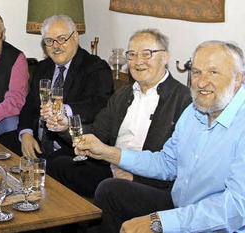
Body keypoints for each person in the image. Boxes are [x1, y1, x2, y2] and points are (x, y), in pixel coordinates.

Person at [76, 40, 245, 232]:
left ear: (237, 78)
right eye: (197, 72)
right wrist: (107, 152)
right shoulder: (194, 111)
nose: (201, 82)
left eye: (213, 72)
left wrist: (160, 222)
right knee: (110, 191)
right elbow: (166, 163)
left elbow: (237, 209)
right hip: (181, 206)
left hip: (217, 224)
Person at [46, 29, 192, 198]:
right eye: (132, 55)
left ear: (165, 57)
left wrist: (136, 178)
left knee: (110, 189)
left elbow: (178, 166)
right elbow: (97, 132)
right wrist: (66, 127)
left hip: (150, 182)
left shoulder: (183, 101)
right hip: (111, 168)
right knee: (58, 165)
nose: (138, 62)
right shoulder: (124, 94)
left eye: (146, 54)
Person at [0, 14, 113, 162]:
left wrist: (63, 110)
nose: (56, 46)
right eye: (49, 41)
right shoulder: (42, 67)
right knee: (4, 143)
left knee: (55, 165)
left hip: (71, 145)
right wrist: (26, 134)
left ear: (75, 37)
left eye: (61, 39)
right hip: (39, 141)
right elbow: (30, 105)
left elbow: (97, 105)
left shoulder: (95, 67)